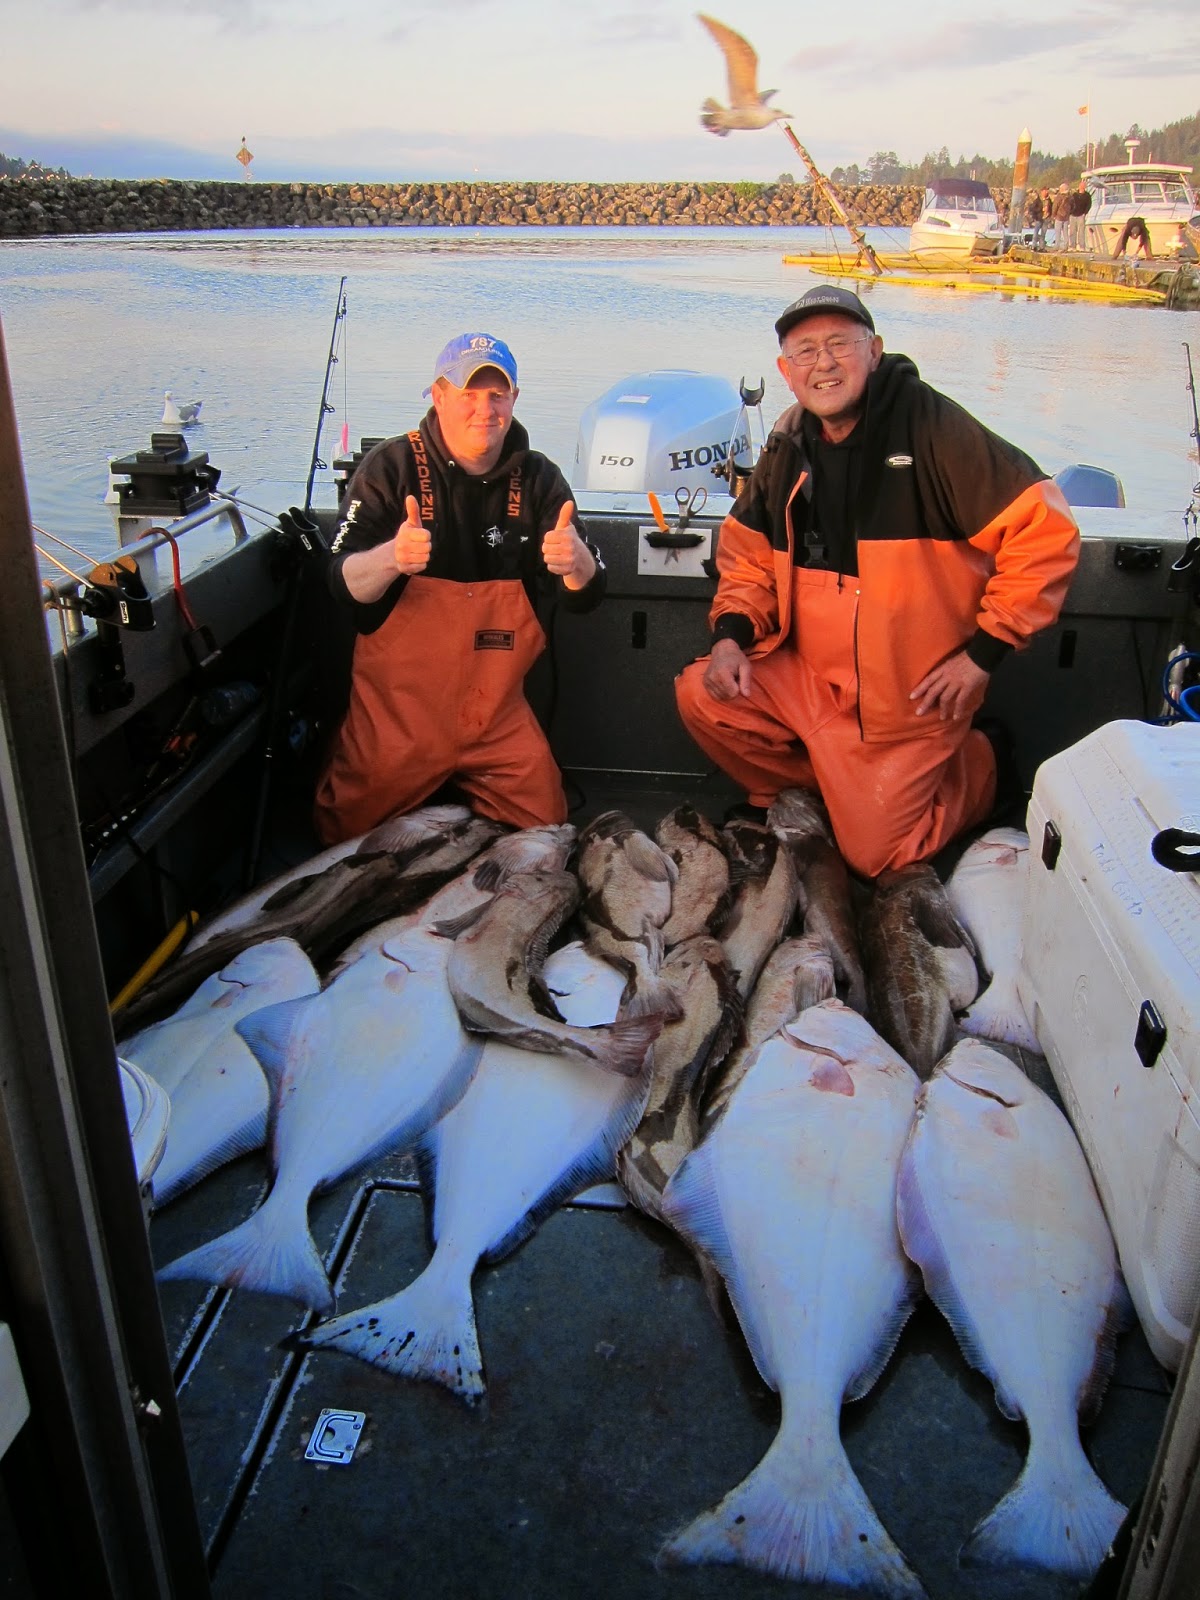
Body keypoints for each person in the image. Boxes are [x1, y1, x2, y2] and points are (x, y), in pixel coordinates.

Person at [674, 285, 1079, 879]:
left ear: (875, 350)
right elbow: (747, 562)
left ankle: (982, 762)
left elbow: (1047, 533)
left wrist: (983, 654)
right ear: (786, 372)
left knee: (876, 858)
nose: (825, 363)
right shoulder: (787, 444)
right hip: (811, 679)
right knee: (701, 693)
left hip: (905, 698)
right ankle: (806, 795)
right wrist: (731, 638)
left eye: (840, 343)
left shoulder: (933, 428)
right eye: (806, 351)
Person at [313, 332, 605, 844]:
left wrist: (577, 564)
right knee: (340, 837)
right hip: (397, 718)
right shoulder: (390, 467)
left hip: (496, 718)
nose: (484, 409)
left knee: (550, 835)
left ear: (515, 400)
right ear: (439, 395)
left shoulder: (541, 479)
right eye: (468, 393)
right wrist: (390, 559)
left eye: (497, 394)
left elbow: (587, 596)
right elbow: (339, 584)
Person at [1069, 179, 1093, 251]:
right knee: (1072, 231)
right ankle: (1072, 246)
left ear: (1085, 187)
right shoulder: (1074, 195)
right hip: (1073, 215)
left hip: (1081, 215)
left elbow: (1089, 205)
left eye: (1083, 186)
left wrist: (1085, 213)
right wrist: (1070, 212)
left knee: (1081, 231)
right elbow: (1070, 203)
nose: (1081, 187)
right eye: (1080, 185)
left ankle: (1082, 246)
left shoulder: (1087, 195)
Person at [1052, 182, 1073, 249]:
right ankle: (1065, 246)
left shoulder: (1059, 197)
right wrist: (1069, 213)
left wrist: (1053, 214)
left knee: (1058, 232)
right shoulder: (1070, 198)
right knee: (1065, 232)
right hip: (1066, 217)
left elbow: (1055, 206)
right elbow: (1073, 206)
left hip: (1059, 216)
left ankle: (1057, 246)